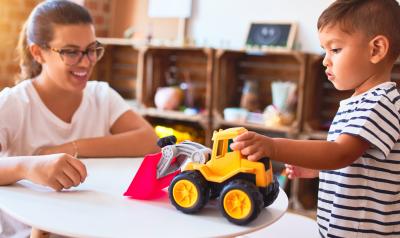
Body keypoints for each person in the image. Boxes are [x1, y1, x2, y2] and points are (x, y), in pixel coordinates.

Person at [231, 0, 400, 237]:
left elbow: (340, 153)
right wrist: (320, 169)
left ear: (376, 50)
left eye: (335, 49)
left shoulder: (379, 103)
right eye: (324, 50)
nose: (325, 60)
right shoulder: (361, 102)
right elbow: (362, 164)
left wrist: (273, 146)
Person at [0, 1, 159, 237]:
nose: (86, 62)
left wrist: (69, 148)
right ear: (38, 53)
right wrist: (28, 166)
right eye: (71, 52)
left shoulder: (101, 96)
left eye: (91, 49)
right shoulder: (14, 104)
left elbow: (150, 140)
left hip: (89, 228)